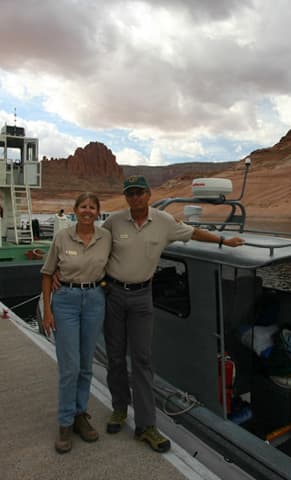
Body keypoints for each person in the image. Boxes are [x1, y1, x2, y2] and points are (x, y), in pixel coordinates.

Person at [102, 175, 244, 453]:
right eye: (130, 194)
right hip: (114, 295)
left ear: (148, 194)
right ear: (126, 197)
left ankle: (146, 426)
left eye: (139, 192)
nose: (135, 198)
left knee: (142, 359)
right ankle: (119, 408)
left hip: (143, 297)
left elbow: (192, 232)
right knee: (116, 356)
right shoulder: (113, 222)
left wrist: (224, 242)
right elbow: (96, 249)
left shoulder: (164, 222)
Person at [40, 192, 111, 454]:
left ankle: (81, 414)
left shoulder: (106, 238)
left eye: (93, 207)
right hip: (66, 301)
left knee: (85, 366)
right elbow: (47, 274)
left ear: (98, 211)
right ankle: (65, 422)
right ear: (75, 210)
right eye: (83, 206)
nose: (88, 211)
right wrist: (48, 310)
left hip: (94, 300)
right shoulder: (62, 237)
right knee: (69, 368)